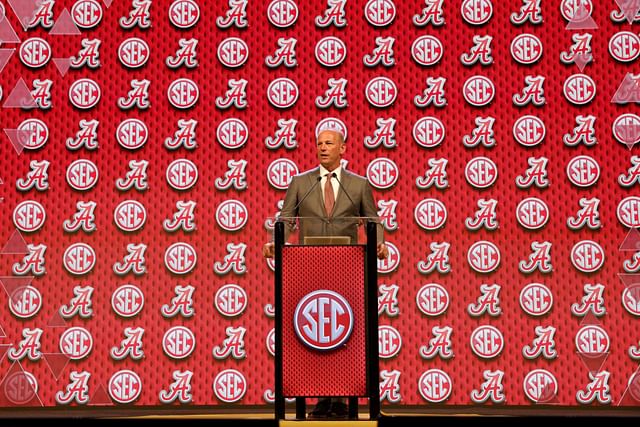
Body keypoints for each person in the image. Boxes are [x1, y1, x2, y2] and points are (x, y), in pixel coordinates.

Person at [263, 127, 388, 419]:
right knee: (316, 335)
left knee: (344, 334)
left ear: (343, 149)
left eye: (329, 143)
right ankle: (320, 399)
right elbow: (286, 221)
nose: (323, 148)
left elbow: (373, 219)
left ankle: (342, 400)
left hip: (348, 269)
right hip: (308, 268)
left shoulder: (358, 185)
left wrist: (380, 243)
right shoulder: (301, 182)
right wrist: (275, 240)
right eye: (319, 143)